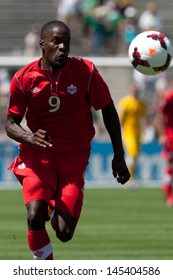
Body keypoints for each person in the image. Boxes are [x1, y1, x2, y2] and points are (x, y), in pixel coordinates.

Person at [5, 20, 130, 260]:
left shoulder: (86, 71)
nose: (63, 47)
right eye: (57, 42)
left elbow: (108, 109)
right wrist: (30, 138)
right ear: (43, 44)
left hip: (74, 157)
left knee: (64, 232)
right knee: (34, 214)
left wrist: (119, 155)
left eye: (67, 42)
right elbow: (10, 123)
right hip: (37, 156)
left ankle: (52, 204)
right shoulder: (24, 78)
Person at [117, 82, 148, 187]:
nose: (135, 91)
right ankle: (130, 179)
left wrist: (145, 128)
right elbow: (121, 118)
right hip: (128, 132)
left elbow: (145, 117)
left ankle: (131, 177)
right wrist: (119, 130)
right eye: (134, 89)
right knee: (132, 153)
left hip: (138, 133)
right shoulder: (126, 102)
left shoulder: (141, 103)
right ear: (131, 90)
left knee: (135, 157)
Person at [154, 84, 173, 207]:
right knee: (171, 164)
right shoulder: (170, 97)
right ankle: (168, 193)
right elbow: (159, 116)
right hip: (171, 136)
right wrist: (162, 134)